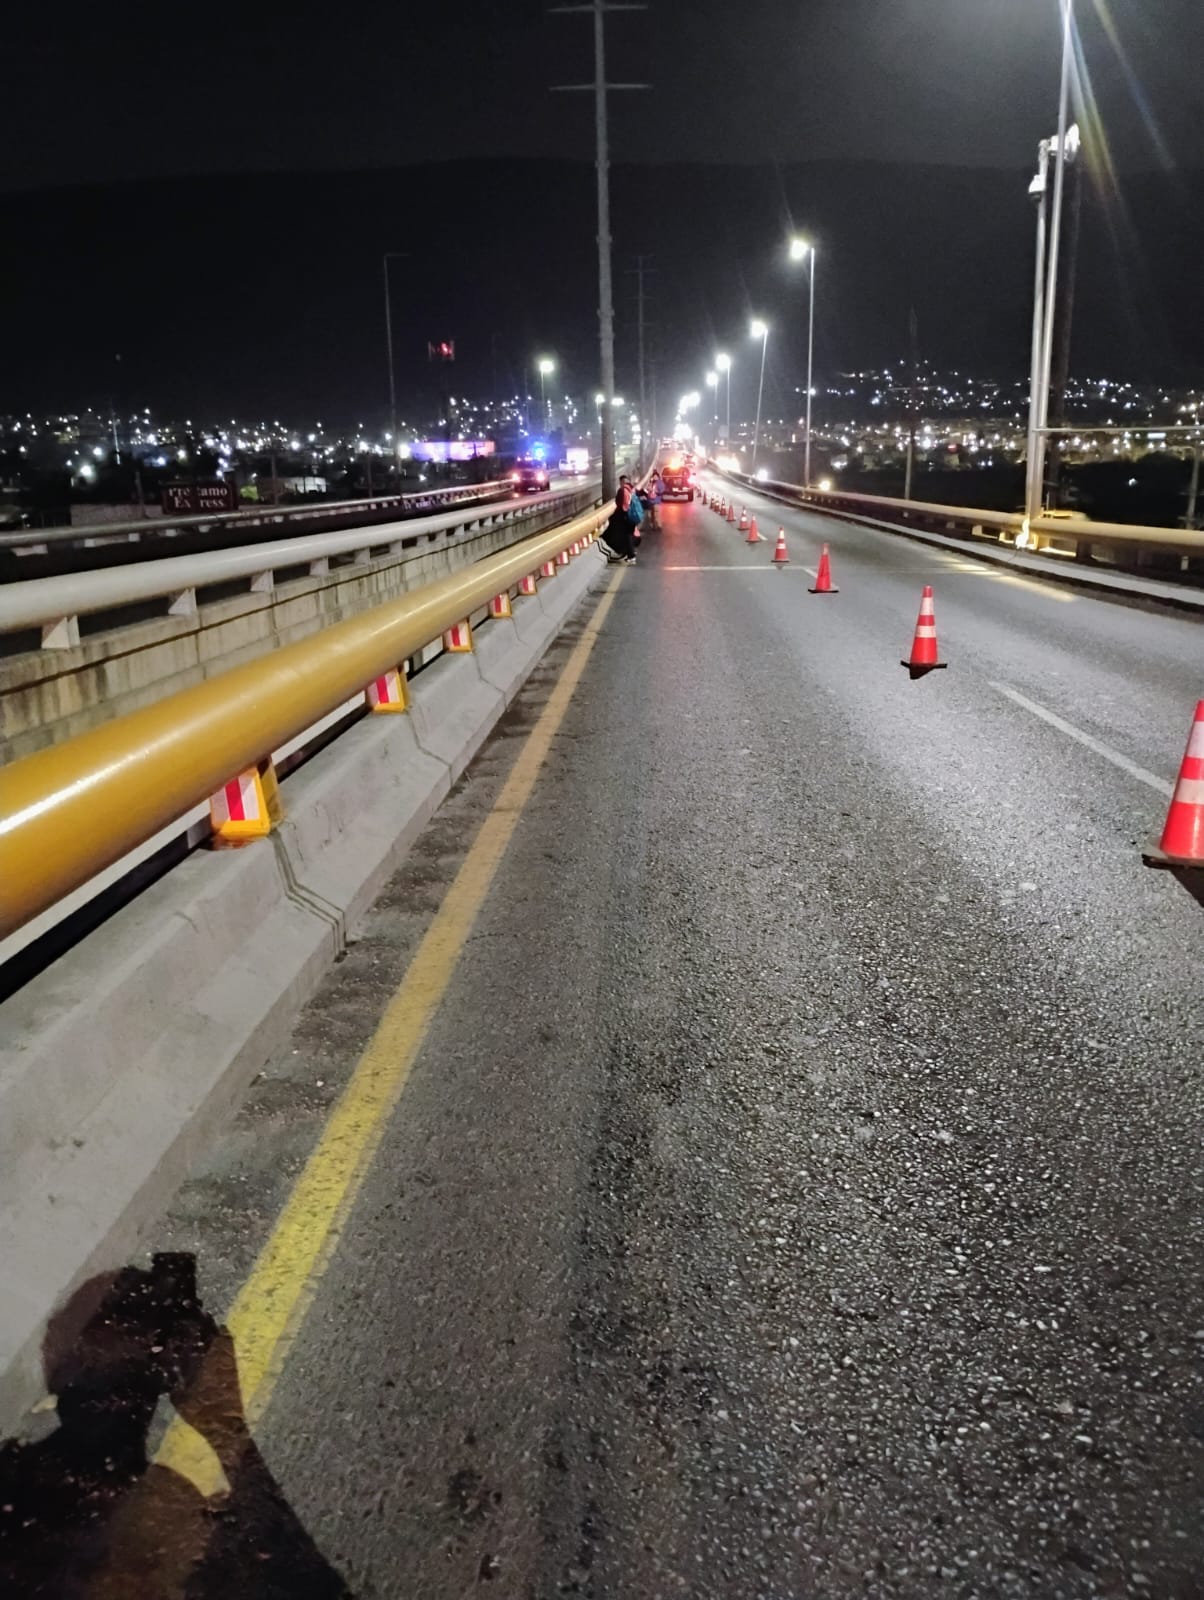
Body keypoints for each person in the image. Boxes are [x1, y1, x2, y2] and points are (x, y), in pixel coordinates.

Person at [599, 474, 642, 565]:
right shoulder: (632, 490)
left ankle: (631, 556)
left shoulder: (622, 490)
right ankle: (630, 554)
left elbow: (621, 504)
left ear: (621, 482)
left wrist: (618, 515)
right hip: (632, 516)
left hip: (625, 516)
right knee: (628, 535)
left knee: (625, 536)